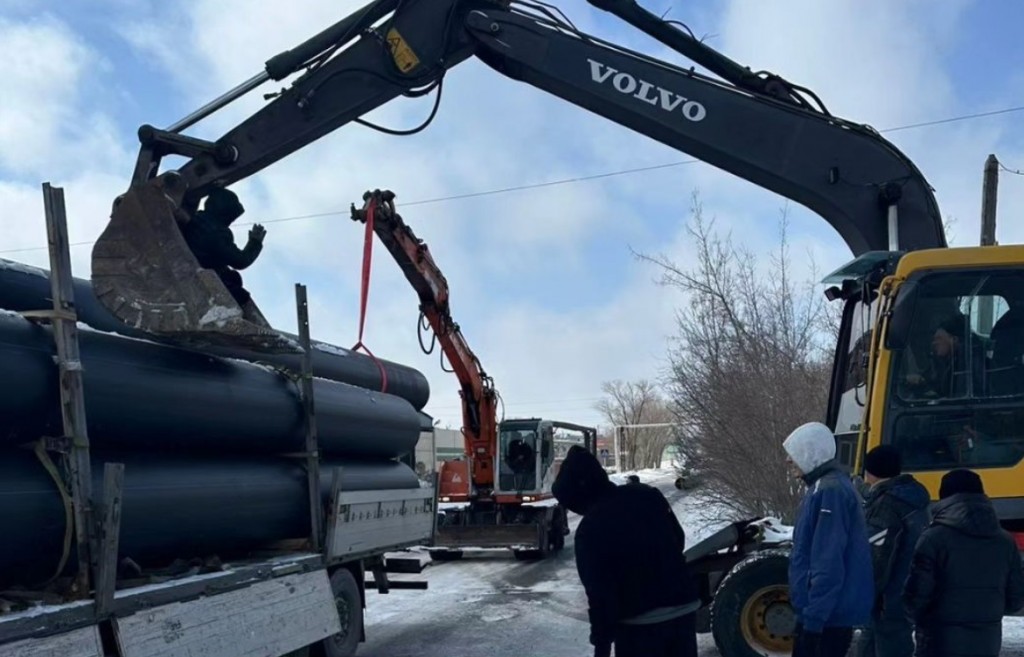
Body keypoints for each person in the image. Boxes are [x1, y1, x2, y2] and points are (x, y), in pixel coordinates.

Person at [552, 445, 698, 657]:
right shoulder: (647, 495)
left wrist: (602, 647)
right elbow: (678, 539)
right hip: (683, 611)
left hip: (638, 627)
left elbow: (600, 595)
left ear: (579, 494)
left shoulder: (590, 529)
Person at [903, 469, 1024, 657]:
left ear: (944, 496)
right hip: (988, 641)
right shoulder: (1005, 541)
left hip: (939, 639)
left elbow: (917, 596)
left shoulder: (933, 538)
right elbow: (1016, 598)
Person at [783, 421, 874, 657]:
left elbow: (828, 563)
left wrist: (813, 621)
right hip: (823, 614)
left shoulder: (829, 492)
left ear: (811, 452)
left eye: (793, 454)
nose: (788, 460)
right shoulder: (822, 488)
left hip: (827, 618)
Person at [857, 445, 930, 657]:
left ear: (870, 472)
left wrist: (869, 595)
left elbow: (878, 554)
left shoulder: (887, 505)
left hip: (888, 598)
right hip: (906, 589)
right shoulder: (912, 497)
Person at [181, 187, 267, 322]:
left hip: (196, 275)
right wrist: (255, 242)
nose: (232, 220)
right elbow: (240, 261)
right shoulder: (215, 233)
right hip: (205, 284)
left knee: (233, 282)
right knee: (239, 295)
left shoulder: (198, 219)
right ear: (224, 212)